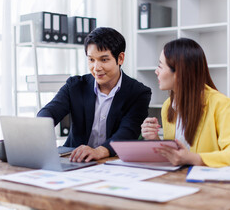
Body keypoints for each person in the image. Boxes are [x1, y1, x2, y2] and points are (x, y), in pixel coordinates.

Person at [37, 27, 151, 163]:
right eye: (91, 60)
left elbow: (127, 132)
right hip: (74, 159)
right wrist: (38, 130)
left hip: (113, 162)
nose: (96, 68)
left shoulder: (138, 93)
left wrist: (99, 151)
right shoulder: (75, 85)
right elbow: (50, 111)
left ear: (120, 58)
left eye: (103, 60)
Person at [141, 38, 230, 167]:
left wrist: (193, 158)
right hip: (178, 180)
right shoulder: (168, 106)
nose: (156, 71)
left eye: (160, 66)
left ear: (179, 72)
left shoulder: (220, 104)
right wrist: (155, 139)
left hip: (207, 182)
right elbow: (175, 156)